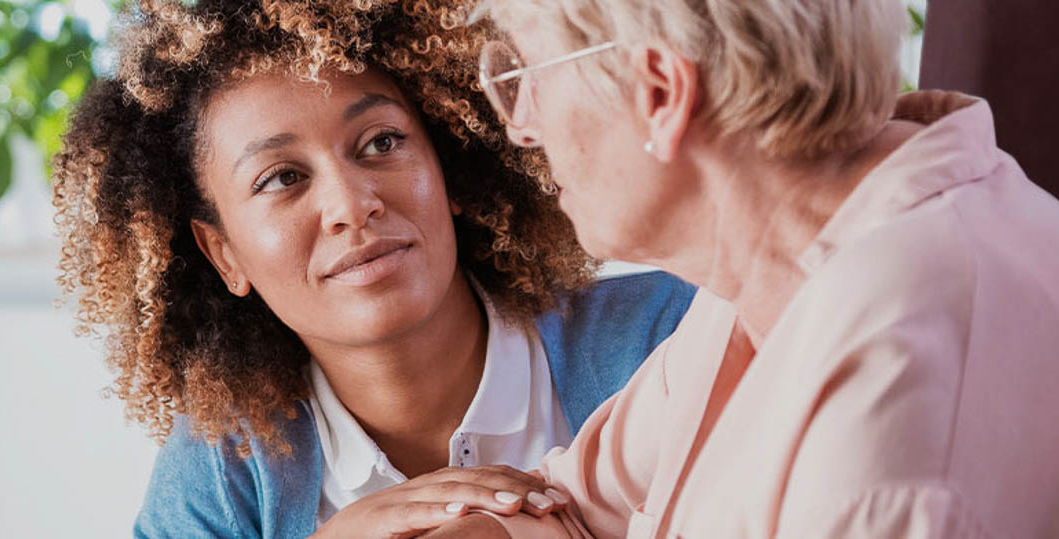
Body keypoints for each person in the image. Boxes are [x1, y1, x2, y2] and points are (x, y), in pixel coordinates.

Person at [432, 0, 1059, 536]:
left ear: (660, 93)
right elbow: (572, 506)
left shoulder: (893, 396)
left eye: (525, 77)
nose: (522, 125)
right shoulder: (776, 266)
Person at [50, 0, 694, 537]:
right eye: (282, 178)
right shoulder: (226, 464)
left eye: (382, 143)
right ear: (225, 254)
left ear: (449, 168)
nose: (353, 205)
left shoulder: (671, 331)